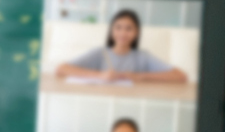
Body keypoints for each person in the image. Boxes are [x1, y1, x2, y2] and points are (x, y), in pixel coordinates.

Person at [54, 9, 188, 84]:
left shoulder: (142, 56)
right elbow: (61, 69)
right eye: (118, 28)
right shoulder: (100, 53)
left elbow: (181, 76)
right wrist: (100, 75)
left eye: (129, 29)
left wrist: (141, 76)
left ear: (137, 33)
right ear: (111, 31)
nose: (123, 33)